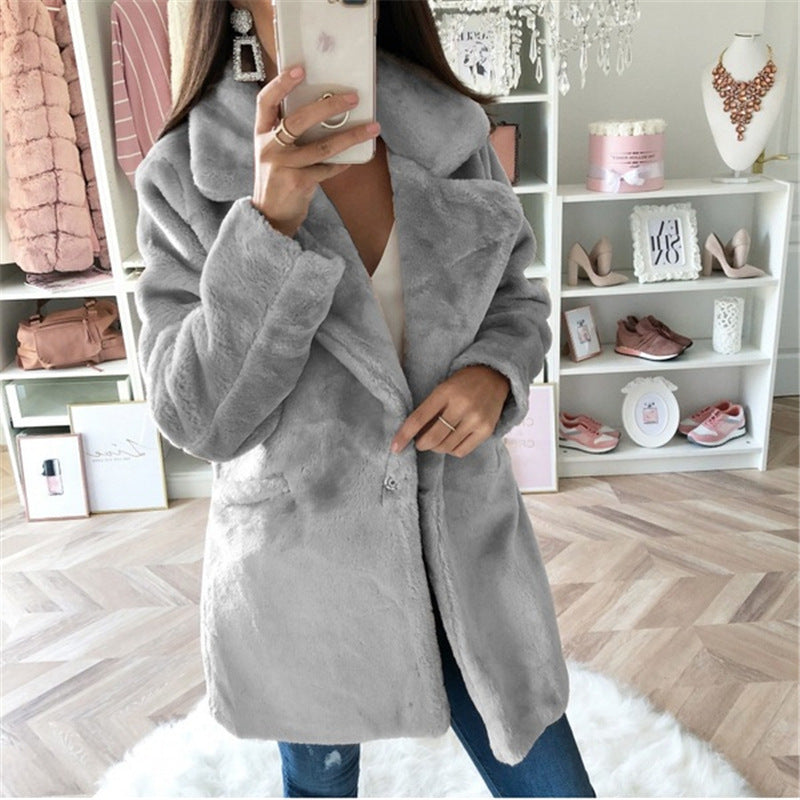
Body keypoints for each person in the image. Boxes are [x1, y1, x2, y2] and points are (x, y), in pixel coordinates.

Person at [133, 1, 596, 797]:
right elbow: (197, 417)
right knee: (319, 785)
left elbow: (516, 301)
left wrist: (495, 373)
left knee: (553, 784)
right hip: (307, 577)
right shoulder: (189, 173)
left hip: (466, 552)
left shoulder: (453, 133)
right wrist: (267, 227)